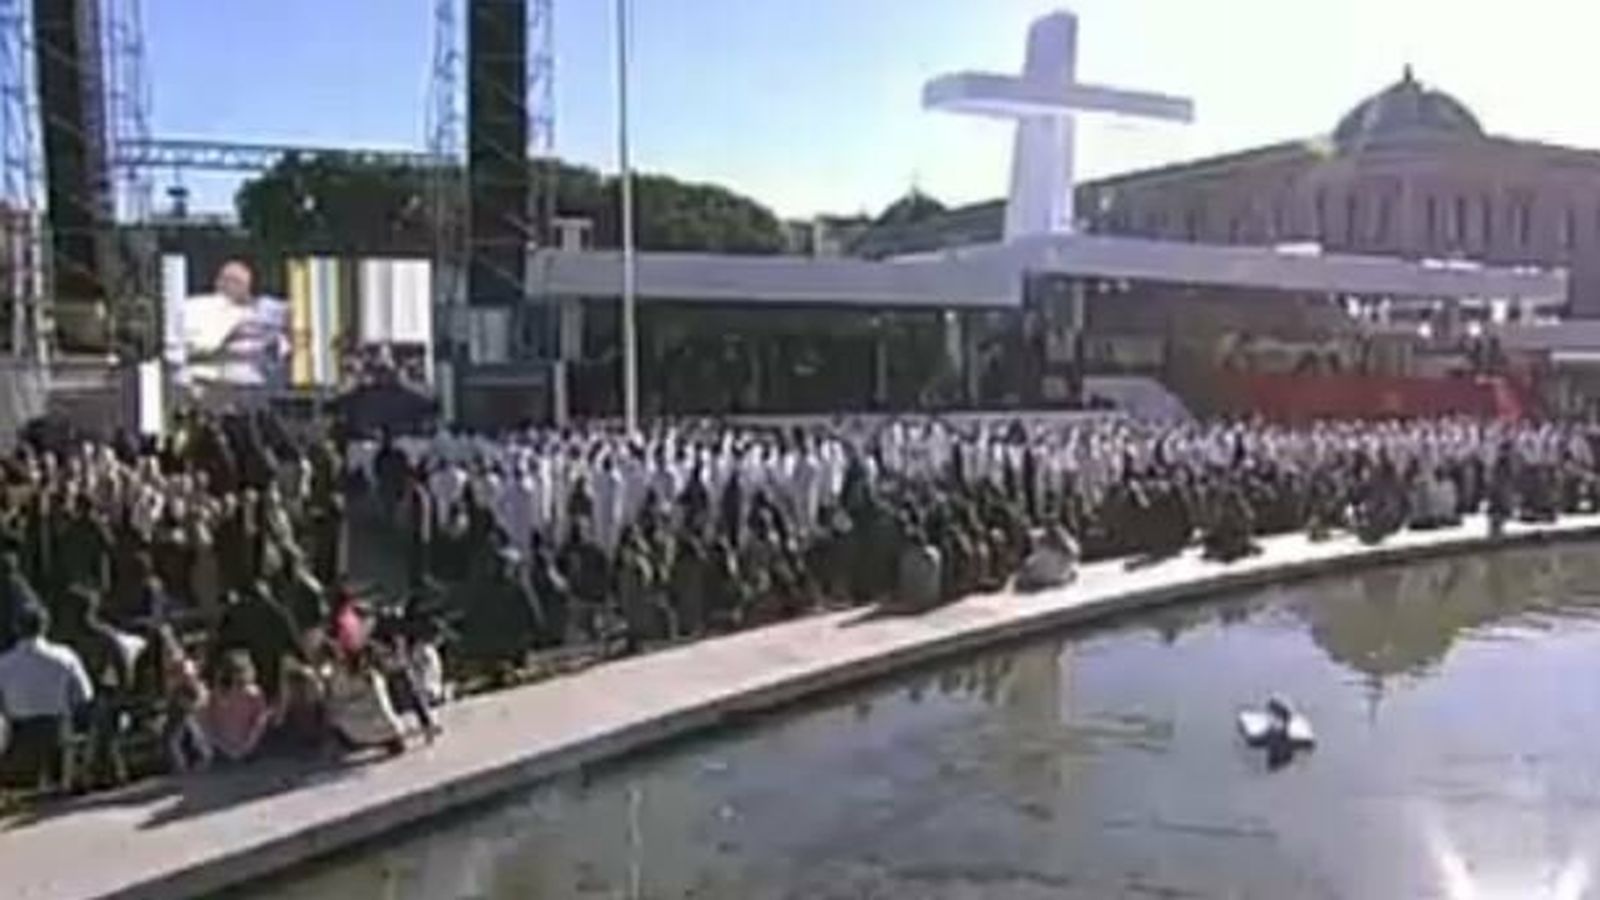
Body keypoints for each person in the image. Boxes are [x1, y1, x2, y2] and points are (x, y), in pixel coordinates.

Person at [0, 604, 93, 790]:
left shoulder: (3, 664)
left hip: (19, 740)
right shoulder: (65, 657)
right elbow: (84, 696)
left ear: (17, 628)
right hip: (58, 736)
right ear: (45, 626)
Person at [325, 647, 406, 755]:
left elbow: (337, 696)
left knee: (338, 716)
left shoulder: (366, 675)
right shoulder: (370, 675)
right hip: (362, 717)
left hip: (358, 717)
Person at [202, 650, 271, 763]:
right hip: (221, 750)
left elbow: (259, 724)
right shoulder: (215, 697)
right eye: (233, 679)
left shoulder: (254, 696)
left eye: (241, 681)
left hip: (249, 748)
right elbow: (208, 726)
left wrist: (246, 747)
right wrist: (224, 747)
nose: (238, 686)